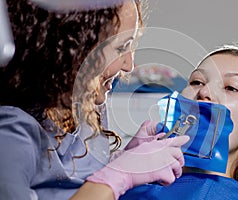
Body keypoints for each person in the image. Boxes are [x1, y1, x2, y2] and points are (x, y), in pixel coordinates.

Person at [0, 0, 189, 199]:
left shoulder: (89, 110)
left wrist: (125, 158)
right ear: (74, 48)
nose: (129, 65)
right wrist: (120, 175)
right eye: (121, 48)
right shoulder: (11, 133)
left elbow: (82, 182)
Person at [120, 43, 238, 200]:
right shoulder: (125, 188)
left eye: (231, 87)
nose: (204, 91)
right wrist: (119, 170)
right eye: (197, 81)